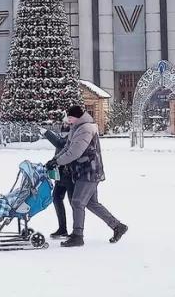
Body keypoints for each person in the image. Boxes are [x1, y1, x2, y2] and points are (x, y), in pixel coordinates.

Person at [45, 105, 127, 248]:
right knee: (91, 203)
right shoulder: (76, 128)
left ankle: (78, 236)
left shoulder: (86, 128)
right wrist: (55, 160)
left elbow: (75, 152)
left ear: (77, 117)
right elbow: (67, 147)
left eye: (70, 117)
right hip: (84, 171)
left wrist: (58, 162)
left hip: (89, 171)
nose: (68, 120)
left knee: (77, 202)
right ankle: (118, 226)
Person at [41, 122, 73, 239]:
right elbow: (59, 152)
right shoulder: (63, 136)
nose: (65, 125)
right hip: (60, 174)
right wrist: (51, 162)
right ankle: (62, 228)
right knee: (56, 199)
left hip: (71, 175)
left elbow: (59, 143)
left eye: (67, 123)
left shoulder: (72, 137)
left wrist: (46, 132)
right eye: (64, 123)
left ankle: (76, 232)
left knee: (73, 203)